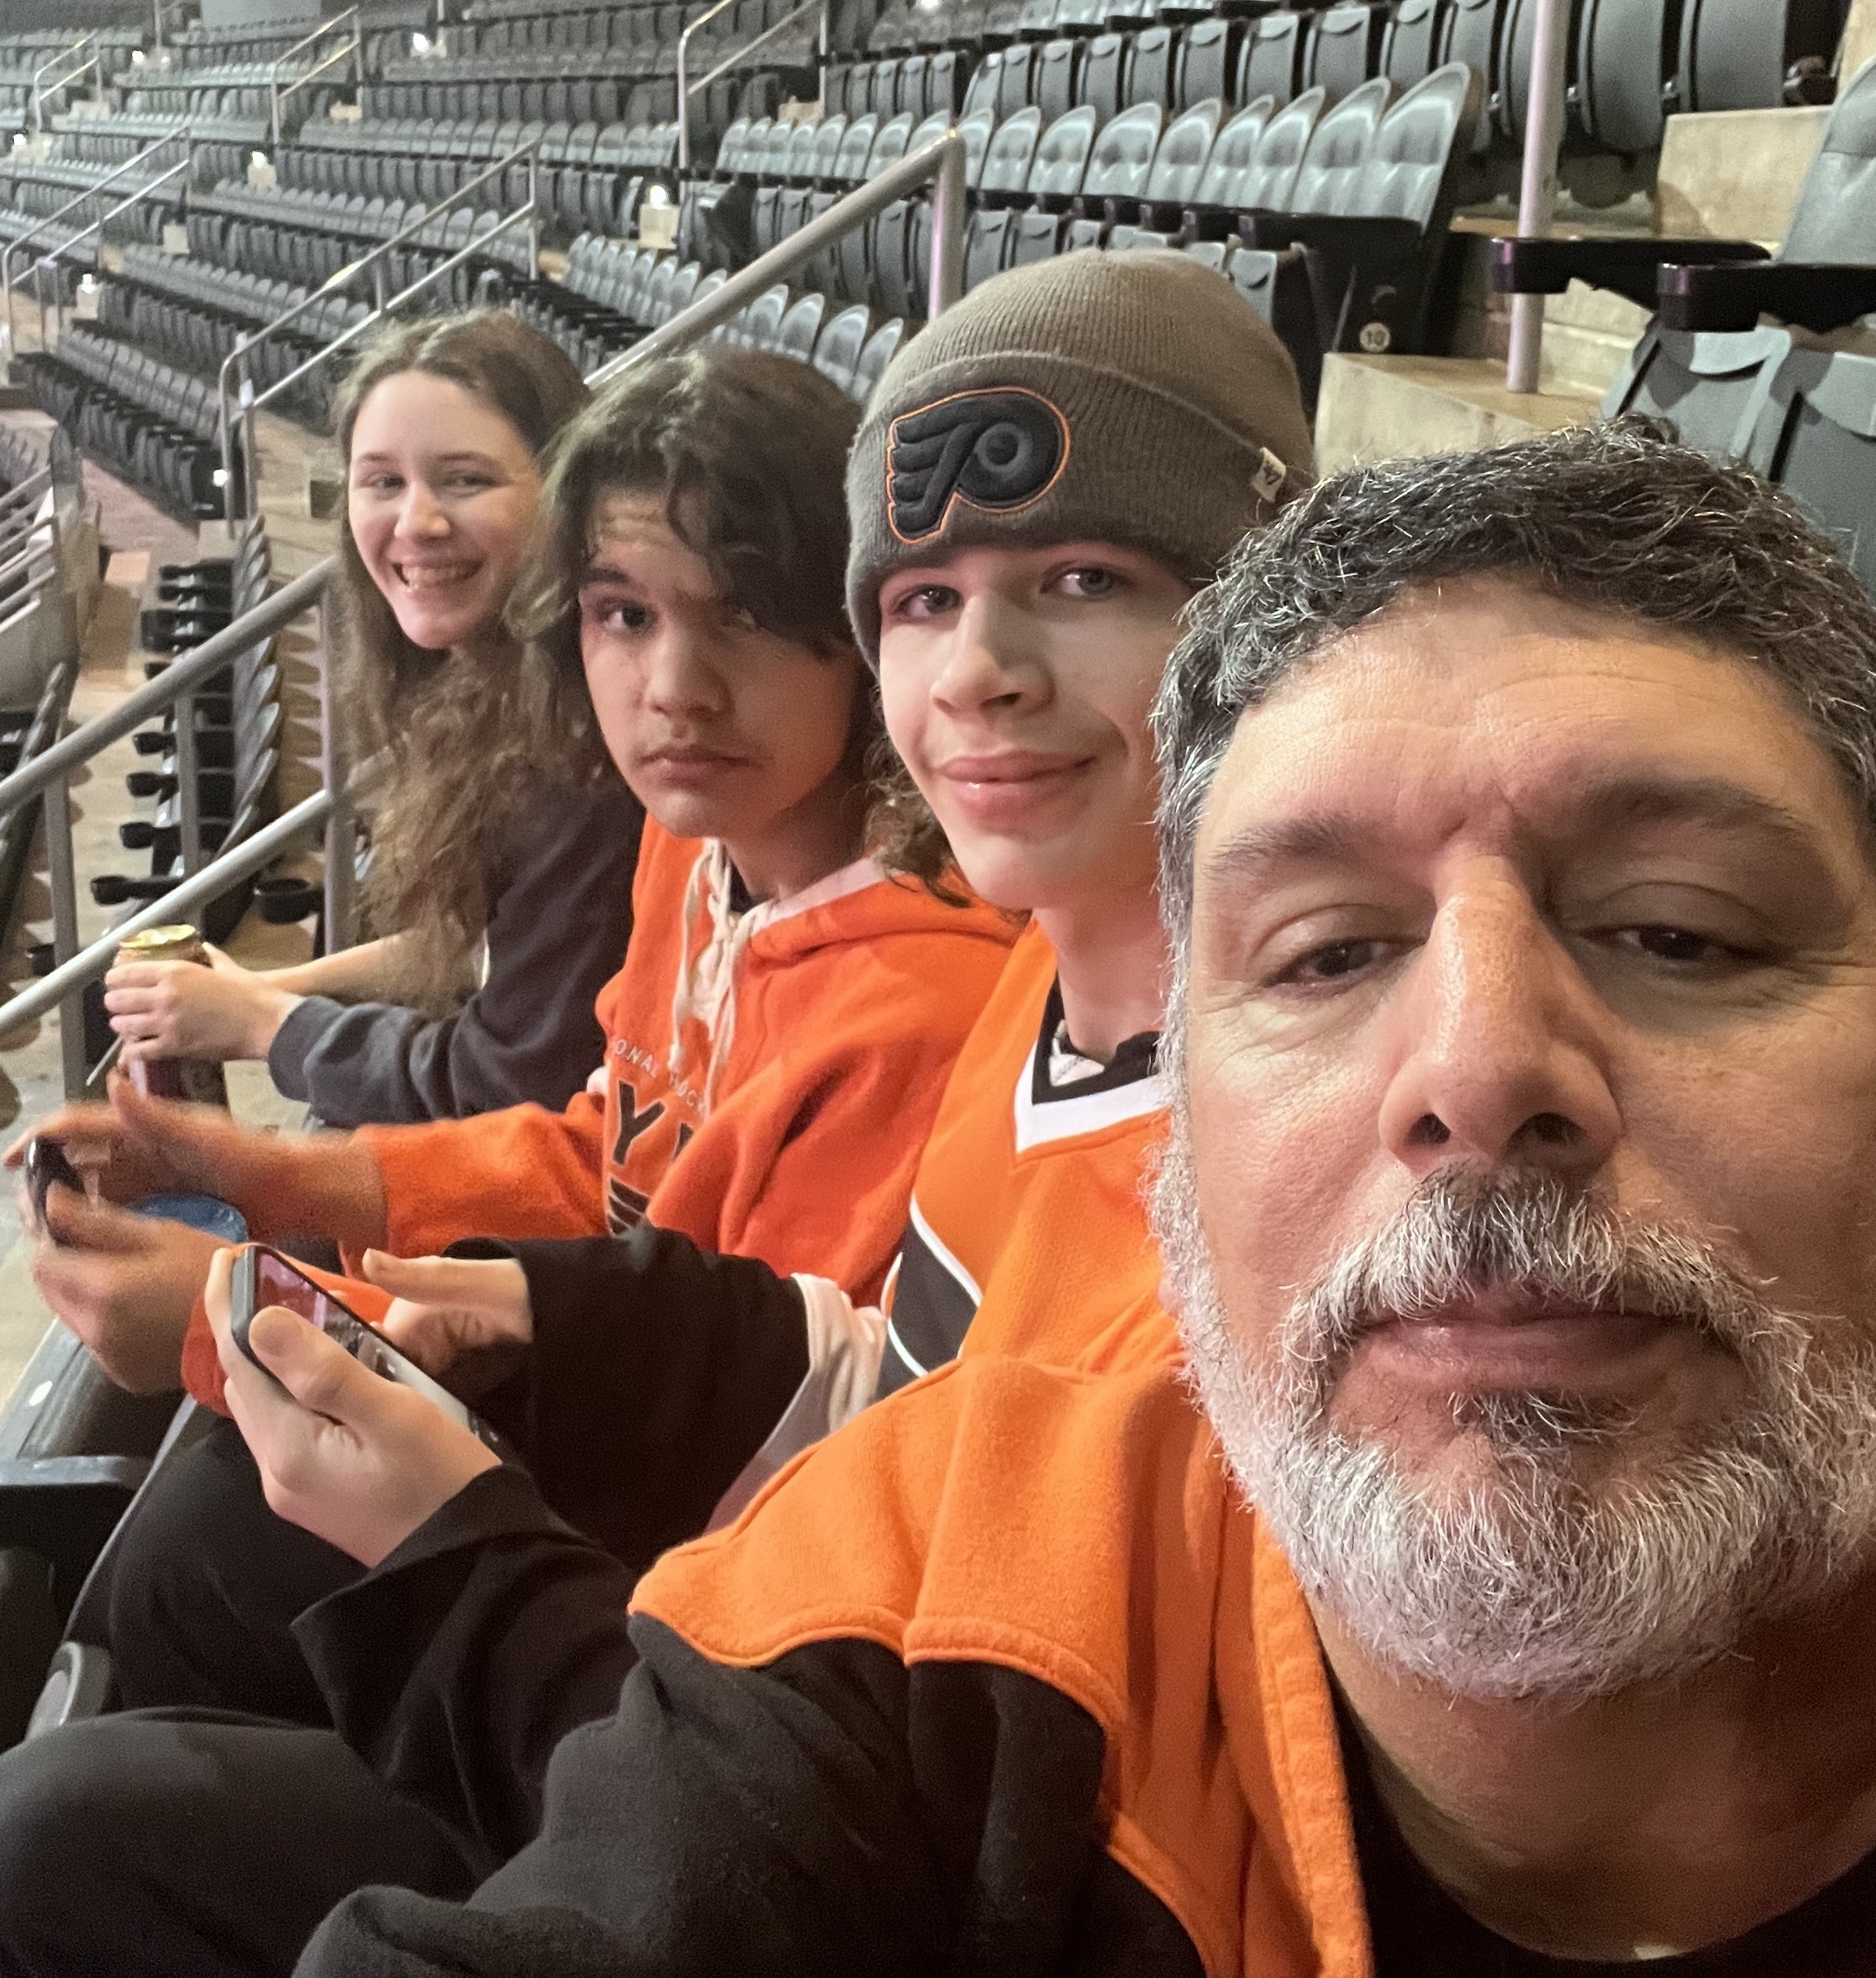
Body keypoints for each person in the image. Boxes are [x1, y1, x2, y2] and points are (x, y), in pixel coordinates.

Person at [66, 417, 1876, 1978]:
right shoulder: (988, 1397)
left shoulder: (973, 1043)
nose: (1476, 1066)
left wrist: (460, 1563)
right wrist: (528, 1297)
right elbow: (845, 1367)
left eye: (1680, 932)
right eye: (1330, 952)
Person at [0, 252, 1317, 1973]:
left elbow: (884, 1692)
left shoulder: (1150, 1128)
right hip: (730, 1645)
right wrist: (303, 1199)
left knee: (71, 1831)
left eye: (1084, 580)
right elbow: (701, 1235)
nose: (980, 670)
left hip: (772, 1751)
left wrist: (407, 1485)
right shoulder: (996, 957)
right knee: (189, 1559)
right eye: (926, 596)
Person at [100, 308, 642, 1132]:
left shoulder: (587, 753)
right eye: (383, 482)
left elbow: (508, 1085)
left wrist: (266, 1025)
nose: (416, 522)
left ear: (563, 493)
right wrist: (259, 989)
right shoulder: (485, 688)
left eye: (467, 479)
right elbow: (469, 949)